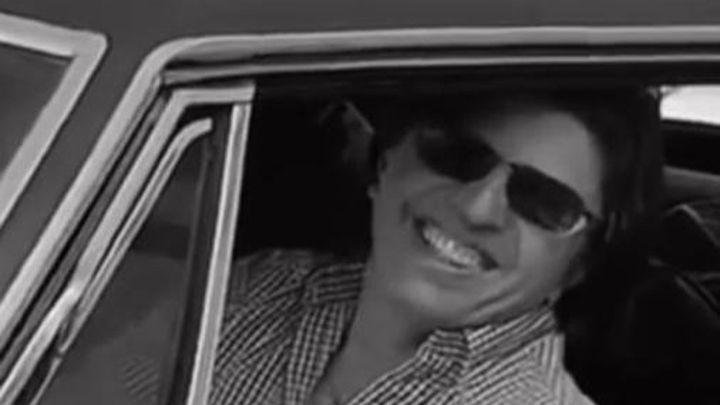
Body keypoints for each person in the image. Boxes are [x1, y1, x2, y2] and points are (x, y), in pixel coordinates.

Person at [210, 87, 662, 405]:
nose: (477, 208)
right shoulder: (252, 288)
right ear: (386, 159)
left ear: (580, 263)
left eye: (544, 203)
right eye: (458, 156)